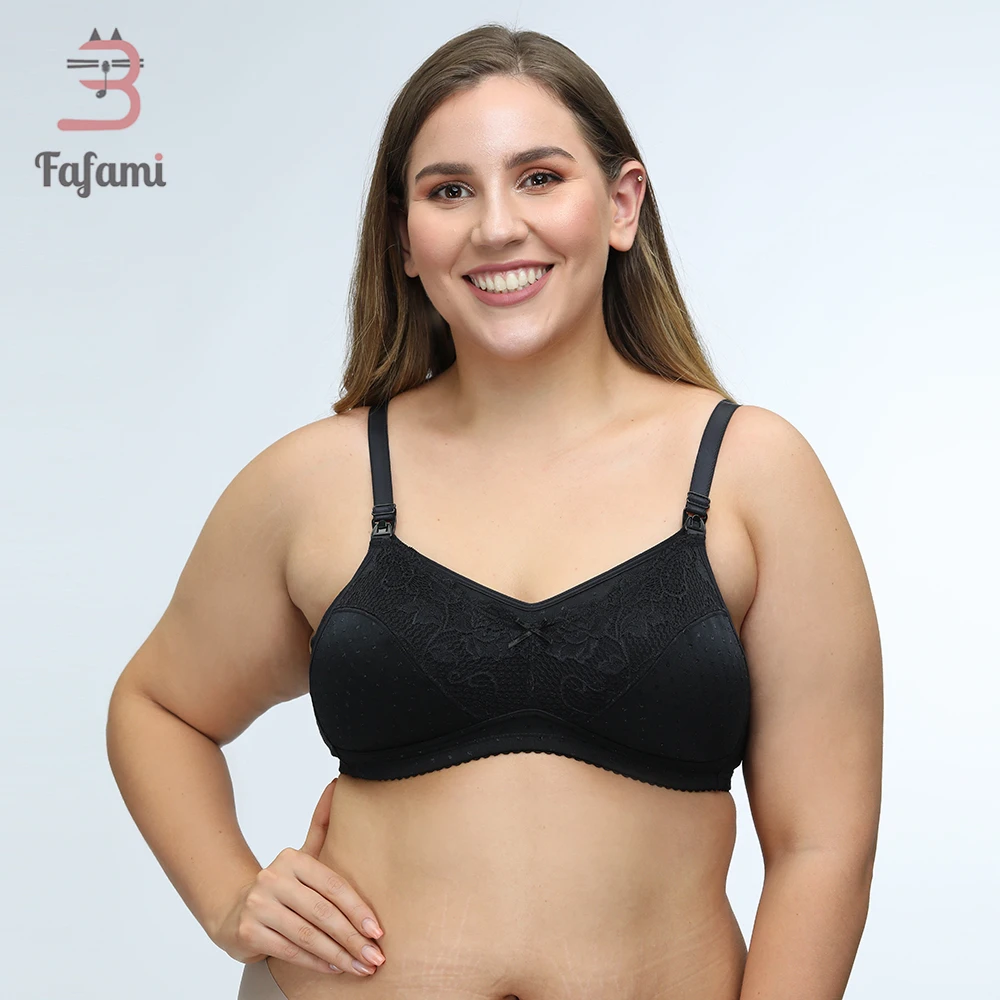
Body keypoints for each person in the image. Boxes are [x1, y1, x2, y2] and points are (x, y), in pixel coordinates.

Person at [106, 23, 883, 1000]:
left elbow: (822, 846)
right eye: (449, 191)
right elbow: (156, 706)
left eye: (539, 178)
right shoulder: (313, 480)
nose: (496, 227)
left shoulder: (751, 473)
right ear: (403, 237)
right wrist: (229, 896)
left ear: (622, 204)